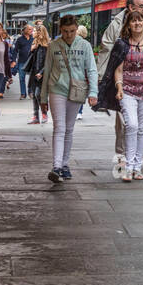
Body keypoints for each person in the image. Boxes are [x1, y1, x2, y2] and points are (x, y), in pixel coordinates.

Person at [97, 11, 143, 183]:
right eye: (133, 21)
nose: (137, 23)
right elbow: (117, 69)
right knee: (132, 126)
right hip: (127, 91)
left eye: (140, 21)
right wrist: (119, 88)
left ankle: (137, 167)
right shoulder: (122, 44)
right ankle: (127, 167)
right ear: (128, 25)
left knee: (142, 129)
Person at [41, 15, 100, 183]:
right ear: (60, 30)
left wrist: (93, 92)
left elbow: (92, 70)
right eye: (65, 32)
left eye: (72, 31)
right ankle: (57, 166)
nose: (69, 35)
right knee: (59, 127)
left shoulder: (85, 45)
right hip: (56, 89)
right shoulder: (53, 46)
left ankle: (65, 164)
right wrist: (43, 97)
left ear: (77, 28)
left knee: (69, 128)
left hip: (77, 90)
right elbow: (47, 71)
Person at [24, 26, 51, 125]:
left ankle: (44, 113)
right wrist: (31, 50)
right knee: (34, 96)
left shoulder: (47, 46)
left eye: (34, 31)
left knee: (38, 94)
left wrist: (42, 72)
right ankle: (35, 116)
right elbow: (29, 60)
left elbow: (49, 62)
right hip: (34, 73)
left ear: (40, 33)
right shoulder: (35, 44)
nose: (32, 32)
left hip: (42, 74)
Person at [14, 25, 34, 100]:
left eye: (32, 29)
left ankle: (30, 92)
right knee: (22, 78)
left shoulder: (33, 39)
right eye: (29, 29)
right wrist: (13, 61)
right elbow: (15, 50)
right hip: (22, 61)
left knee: (31, 78)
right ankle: (23, 94)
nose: (31, 30)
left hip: (31, 61)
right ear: (24, 30)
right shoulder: (19, 39)